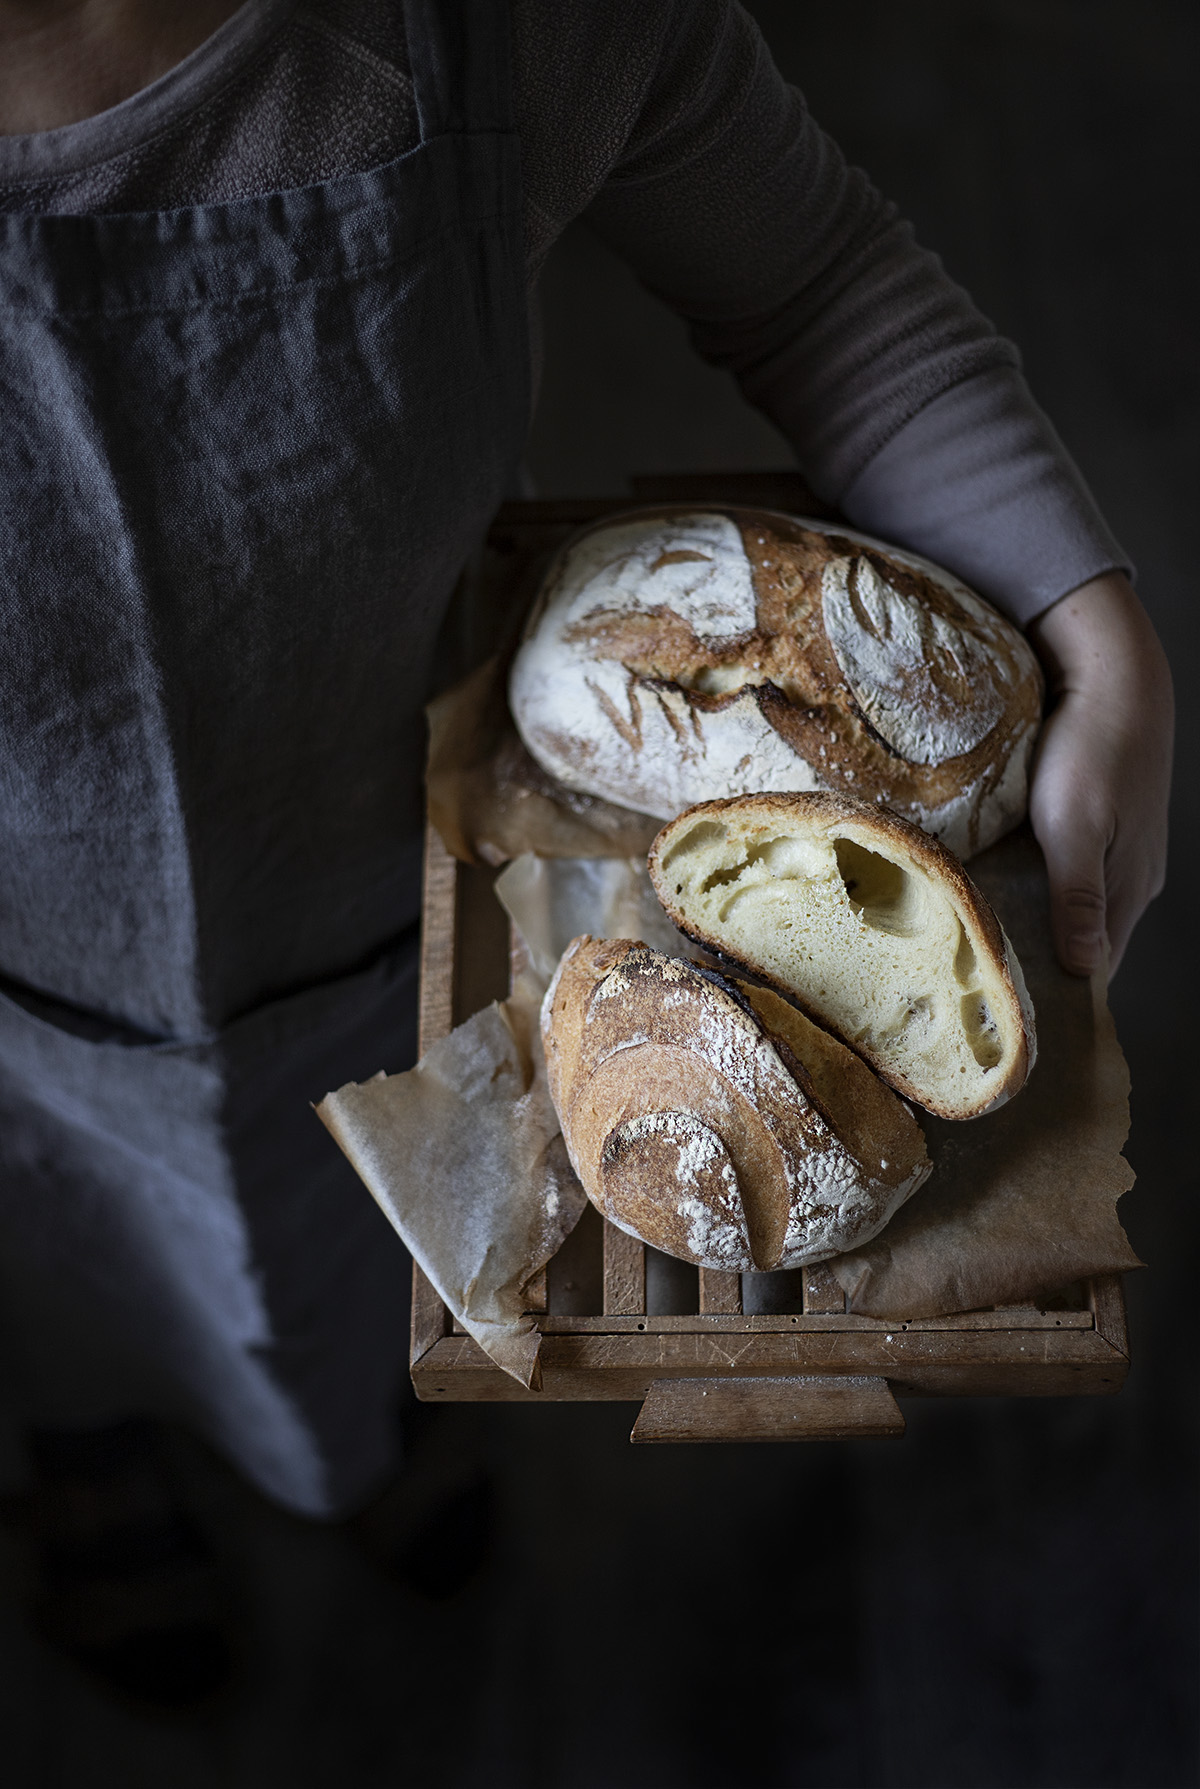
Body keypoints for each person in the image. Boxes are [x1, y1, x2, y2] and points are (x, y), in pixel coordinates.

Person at [0, 0, 1173, 1703]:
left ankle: (346, 1448)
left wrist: (1096, 618)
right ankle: (96, 1462)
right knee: (74, 1288)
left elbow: (822, 282)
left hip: (431, 910)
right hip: (14, 1038)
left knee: (359, 1286)